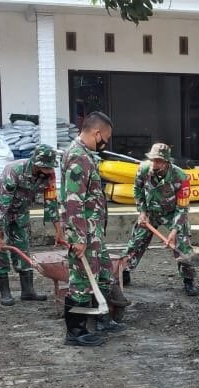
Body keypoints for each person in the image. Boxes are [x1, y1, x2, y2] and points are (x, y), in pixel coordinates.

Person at [61, 111, 129, 347]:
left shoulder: (85, 156)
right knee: (80, 281)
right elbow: (73, 200)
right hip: (84, 234)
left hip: (93, 232)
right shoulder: (78, 157)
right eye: (105, 138)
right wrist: (78, 237)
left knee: (102, 274)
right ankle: (75, 332)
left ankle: (102, 320)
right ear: (97, 133)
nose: (106, 143)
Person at [0, 144, 61, 307]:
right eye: (45, 167)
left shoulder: (49, 175)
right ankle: (5, 293)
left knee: (22, 243)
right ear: (36, 163)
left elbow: (52, 202)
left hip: (20, 208)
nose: (49, 171)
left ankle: (28, 291)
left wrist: (59, 232)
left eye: (50, 167)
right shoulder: (14, 170)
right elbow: (2, 204)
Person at [121, 143, 199, 296]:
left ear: (167, 162)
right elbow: (137, 189)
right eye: (152, 159)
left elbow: (183, 207)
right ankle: (124, 273)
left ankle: (188, 281)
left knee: (183, 245)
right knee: (136, 241)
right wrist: (142, 211)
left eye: (158, 161)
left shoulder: (180, 177)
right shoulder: (143, 170)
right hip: (151, 211)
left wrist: (174, 230)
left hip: (172, 213)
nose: (154, 163)